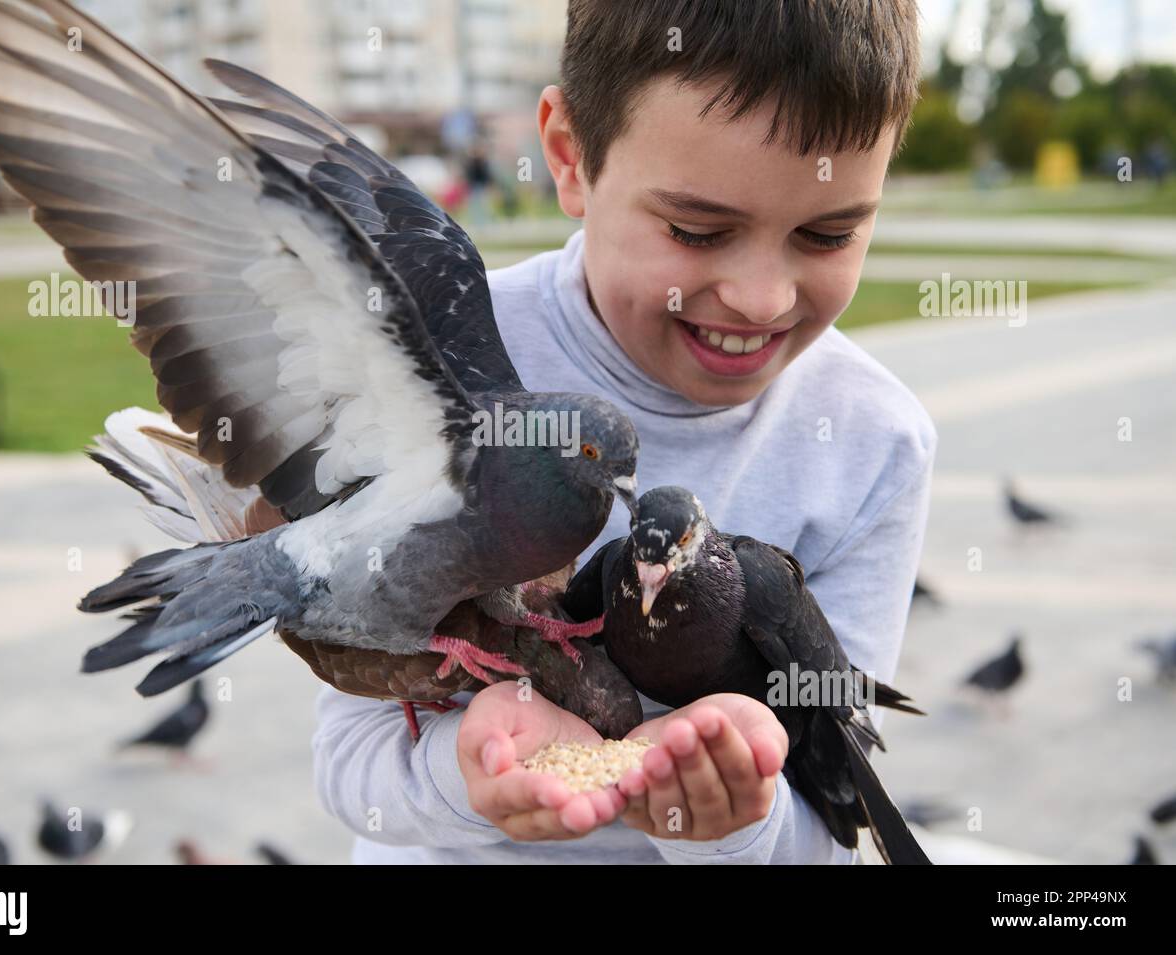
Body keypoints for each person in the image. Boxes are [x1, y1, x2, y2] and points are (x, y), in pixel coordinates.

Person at [313, 0, 935, 863]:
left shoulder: (878, 442)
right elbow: (349, 761)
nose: (761, 297)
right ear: (569, 157)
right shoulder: (442, 367)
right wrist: (468, 777)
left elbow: (834, 825)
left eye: (828, 233)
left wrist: (734, 822)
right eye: (696, 229)